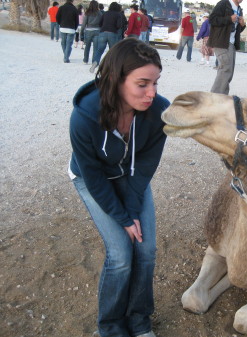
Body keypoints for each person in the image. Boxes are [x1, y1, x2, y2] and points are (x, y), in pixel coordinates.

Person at [69, 38, 169, 337]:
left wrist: (132, 208)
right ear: (116, 79)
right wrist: (124, 218)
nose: (152, 92)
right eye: (142, 84)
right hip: (93, 180)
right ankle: (111, 327)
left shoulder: (159, 112)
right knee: (121, 255)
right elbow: (94, 178)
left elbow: (145, 168)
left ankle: (139, 320)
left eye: (156, 82)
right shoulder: (84, 118)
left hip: (131, 178)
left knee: (146, 250)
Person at [208, 0, 246, 94]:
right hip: (222, 42)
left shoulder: (239, 9)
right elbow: (212, 19)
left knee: (229, 72)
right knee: (226, 69)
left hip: (232, 44)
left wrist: (242, 25)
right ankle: (216, 98)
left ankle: (221, 97)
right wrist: (229, 19)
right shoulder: (224, 4)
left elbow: (235, 30)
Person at [91, 1, 122, 73]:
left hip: (103, 32)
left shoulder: (105, 13)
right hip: (113, 33)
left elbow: (100, 23)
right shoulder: (118, 15)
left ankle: (95, 62)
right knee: (112, 51)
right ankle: (110, 67)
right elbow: (119, 25)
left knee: (99, 50)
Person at [81, 0, 102, 65]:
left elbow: (84, 23)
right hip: (97, 30)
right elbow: (101, 23)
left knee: (87, 46)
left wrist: (81, 32)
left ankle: (85, 60)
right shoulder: (99, 13)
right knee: (96, 47)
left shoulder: (87, 13)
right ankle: (94, 61)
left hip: (88, 31)